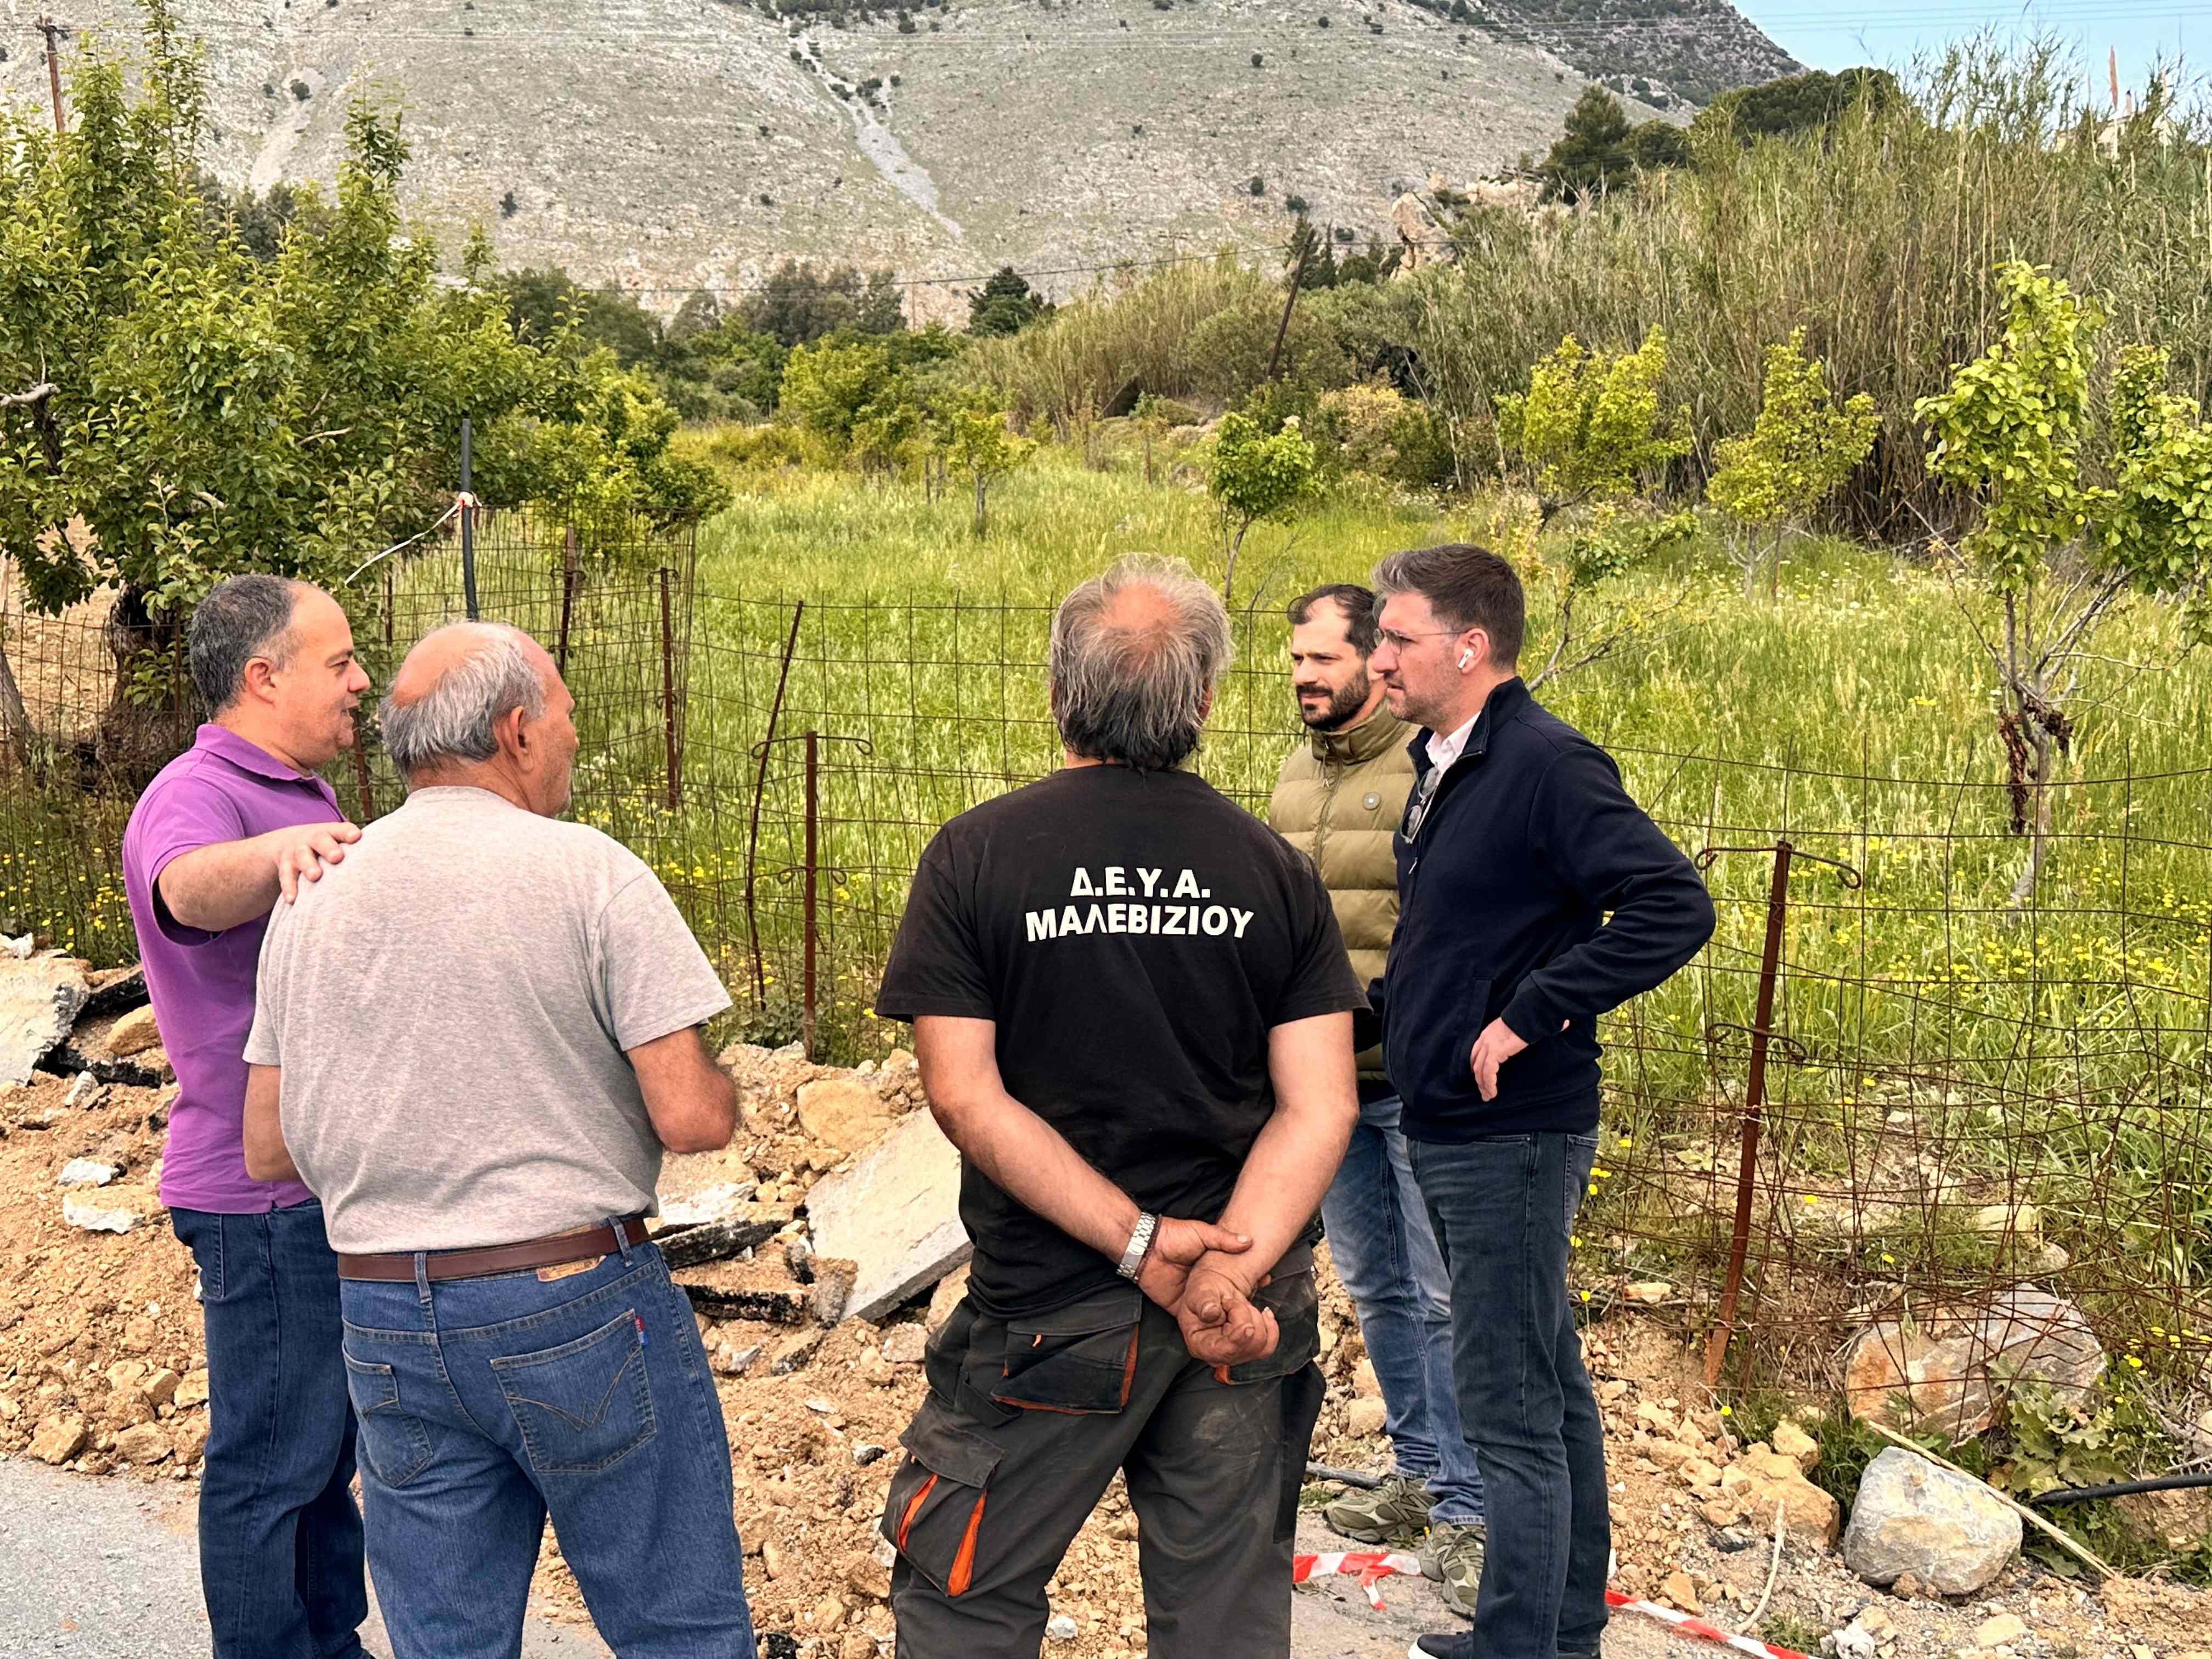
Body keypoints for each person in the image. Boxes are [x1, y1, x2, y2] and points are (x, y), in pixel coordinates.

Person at [872, 555, 1364, 1659]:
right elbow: (1321, 1106)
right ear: (1203, 702)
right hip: (1242, 1308)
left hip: (1055, 1307)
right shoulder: (1273, 871)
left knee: (967, 1596)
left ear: (1058, 693)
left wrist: (1141, 1247)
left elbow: (964, 1094)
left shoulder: (976, 857)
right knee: (1227, 1615)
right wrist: (1227, 1272)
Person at [237, 622, 758, 1659]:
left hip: (384, 1309)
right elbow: (692, 1118)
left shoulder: (315, 892)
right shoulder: (590, 872)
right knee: (678, 1626)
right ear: (516, 732)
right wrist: (726, 1088)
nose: (574, 734)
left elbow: (268, 1148)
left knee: (446, 1642)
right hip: (573, 1297)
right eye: (562, 713)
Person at [1363, 545, 1716, 1659]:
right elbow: (1453, 938)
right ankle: (1561, 1627)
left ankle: (1519, 1645)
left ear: (1471, 647)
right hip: (1453, 1122)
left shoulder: (1547, 764)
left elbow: (1673, 903)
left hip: (1511, 1132)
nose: (1378, 660)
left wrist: (1533, 1013)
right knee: (1548, 1385)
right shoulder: (1444, 764)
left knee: (1507, 1403)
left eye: (1398, 639)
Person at [119, 573, 373, 1659]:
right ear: (264, 678)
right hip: (256, 1194)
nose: (361, 681)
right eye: (340, 661)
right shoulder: (198, 792)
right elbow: (187, 888)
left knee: (320, 1458)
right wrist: (278, 857)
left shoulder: (299, 788)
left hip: (316, 1184)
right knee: (272, 1463)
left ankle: (328, 1641)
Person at [1266, 583, 1487, 1614]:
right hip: (1325, 1088)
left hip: (1416, 1079)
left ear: (1373, 659)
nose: (1305, 677)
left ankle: (1472, 1508)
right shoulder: (1294, 772)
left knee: (1444, 1296)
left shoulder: (1428, 767)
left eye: (1324, 659)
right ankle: (1419, 1475)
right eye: (1295, 660)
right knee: (1378, 1288)